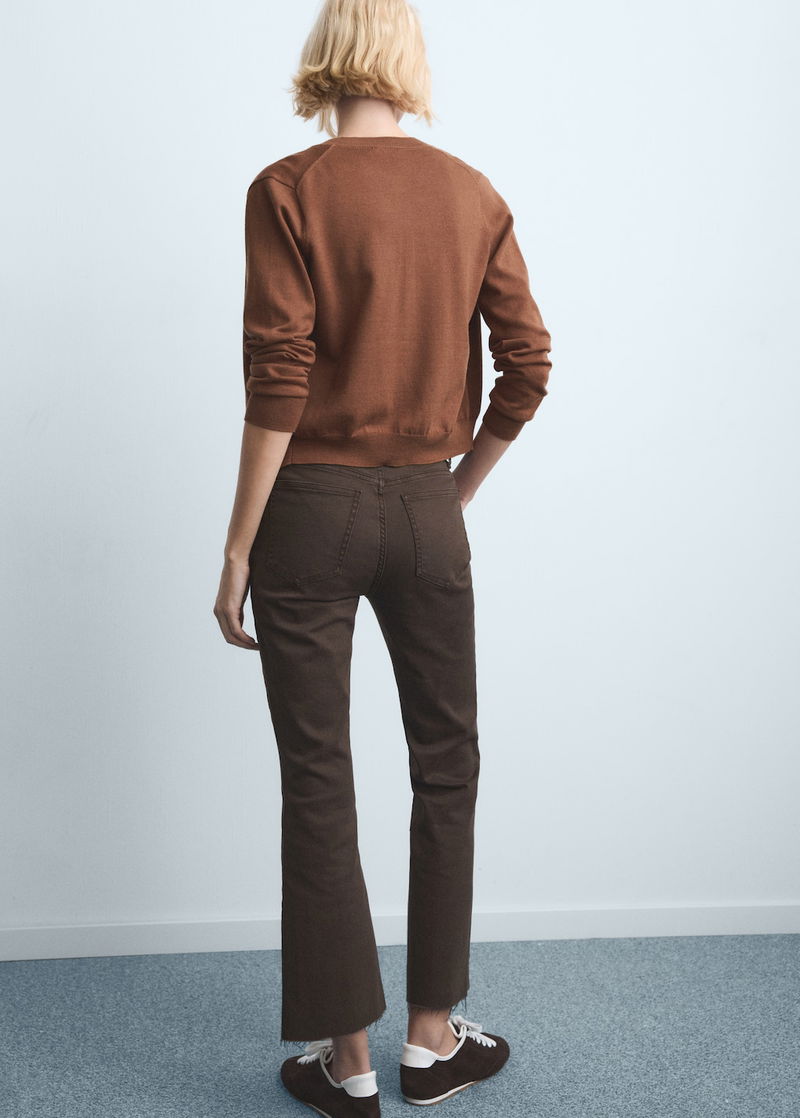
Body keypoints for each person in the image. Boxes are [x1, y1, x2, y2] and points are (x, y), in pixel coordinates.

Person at [213, 0, 552, 1113]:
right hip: (424, 508)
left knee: (318, 775)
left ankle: (347, 1060)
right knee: (446, 762)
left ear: (323, 58)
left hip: (307, 510)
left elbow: (279, 374)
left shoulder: (287, 189)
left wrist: (237, 545)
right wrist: (452, 488)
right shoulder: (471, 193)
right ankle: (431, 1039)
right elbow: (528, 364)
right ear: (409, 64)